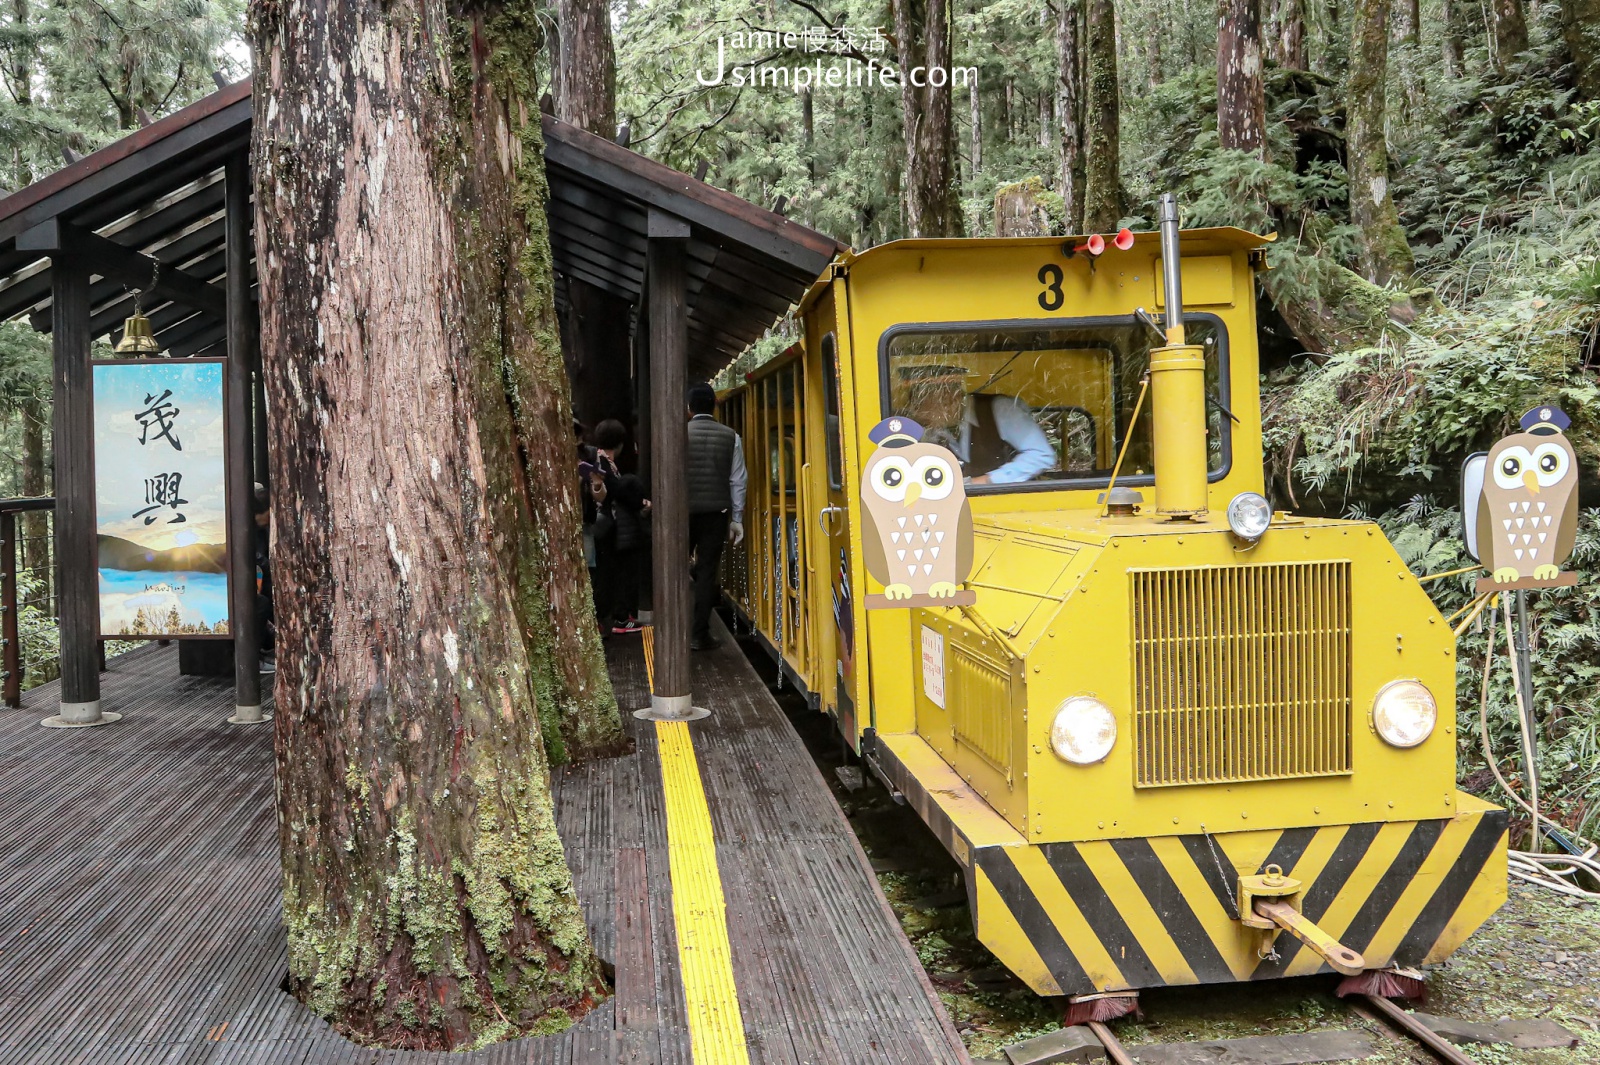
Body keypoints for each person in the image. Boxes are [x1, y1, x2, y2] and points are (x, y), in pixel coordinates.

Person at [898, 363, 1055, 484]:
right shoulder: (934, 428)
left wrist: (988, 480)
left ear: (949, 399)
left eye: (922, 405)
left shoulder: (1000, 409)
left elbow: (1041, 455)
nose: (917, 413)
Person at [685, 382, 746, 651]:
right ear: (715, 405)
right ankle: (699, 634)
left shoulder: (678, 434)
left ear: (688, 409)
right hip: (716, 514)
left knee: (675, 570)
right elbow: (738, 480)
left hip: (681, 514)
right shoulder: (731, 436)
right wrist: (737, 518)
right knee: (707, 572)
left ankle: (674, 630)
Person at [587, 419, 650, 635]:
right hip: (608, 526)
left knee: (609, 573)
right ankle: (618, 618)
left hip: (606, 526)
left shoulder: (600, 461)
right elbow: (615, 490)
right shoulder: (604, 464)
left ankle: (614, 617)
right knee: (612, 574)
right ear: (621, 443)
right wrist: (640, 502)